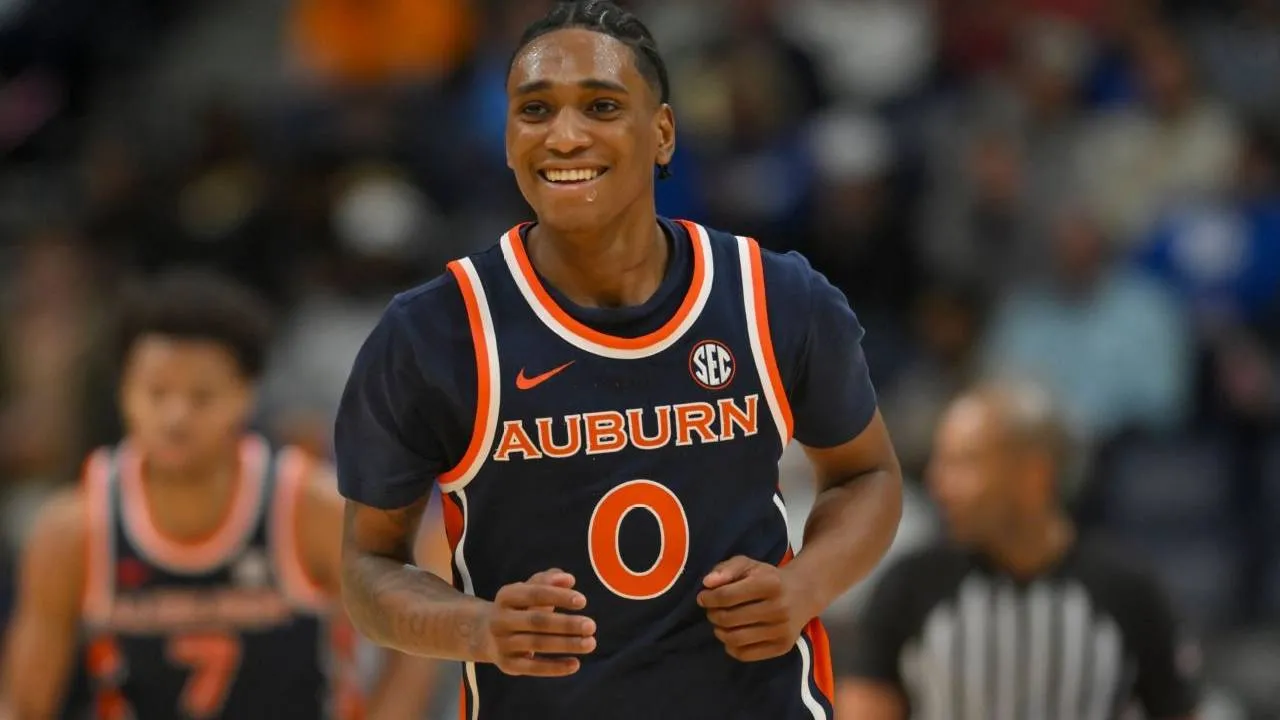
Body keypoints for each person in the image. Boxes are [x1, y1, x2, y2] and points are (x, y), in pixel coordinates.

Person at [334, 2, 904, 718]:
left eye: (601, 106)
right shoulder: (434, 331)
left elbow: (869, 473)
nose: (565, 136)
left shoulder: (774, 297)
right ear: (509, 140)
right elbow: (368, 566)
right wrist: (475, 628)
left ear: (662, 133)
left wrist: (806, 584)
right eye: (535, 110)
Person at [0, 270, 432, 720]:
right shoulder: (74, 530)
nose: (175, 417)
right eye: (156, 393)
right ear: (124, 393)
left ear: (245, 395)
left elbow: (415, 641)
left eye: (200, 396)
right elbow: (25, 703)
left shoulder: (311, 510)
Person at [835, 380, 1201, 720]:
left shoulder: (1126, 591)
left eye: (962, 463)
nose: (938, 483)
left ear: (1033, 475)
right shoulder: (911, 586)